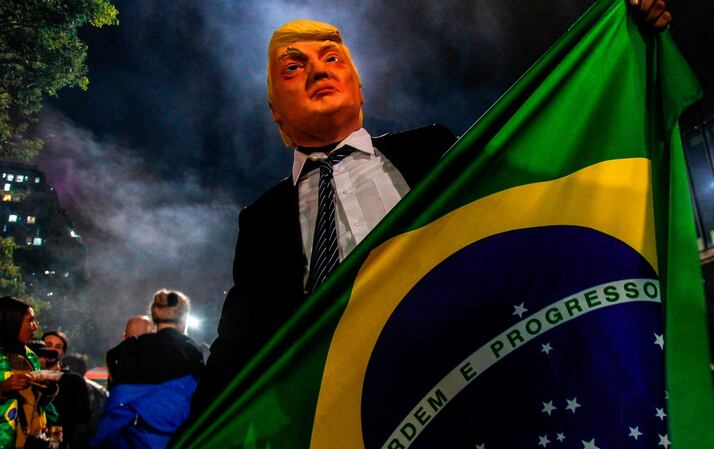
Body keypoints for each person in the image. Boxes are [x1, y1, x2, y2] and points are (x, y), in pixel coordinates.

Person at [188, 0, 673, 426]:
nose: (318, 71)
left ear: (358, 87)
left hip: (471, 389)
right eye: (293, 68)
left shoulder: (434, 151)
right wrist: (193, 436)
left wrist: (627, 40)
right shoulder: (260, 221)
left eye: (332, 59)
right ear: (275, 111)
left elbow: (536, 185)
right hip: (346, 418)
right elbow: (236, 346)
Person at [92, 290, 203, 449]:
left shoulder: (135, 348)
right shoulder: (195, 352)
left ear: (153, 319)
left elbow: (119, 407)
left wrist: (99, 442)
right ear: (184, 318)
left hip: (141, 441)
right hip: (185, 440)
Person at [0, 297, 59, 449]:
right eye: (30, 320)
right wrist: (2, 389)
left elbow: (36, 405)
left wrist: (48, 389)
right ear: (12, 322)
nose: (35, 327)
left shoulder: (31, 356)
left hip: (29, 440)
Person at [41, 331, 90, 449]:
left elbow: (83, 418)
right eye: (48, 345)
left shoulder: (74, 381)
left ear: (63, 352)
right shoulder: (30, 376)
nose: (52, 350)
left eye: (58, 347)